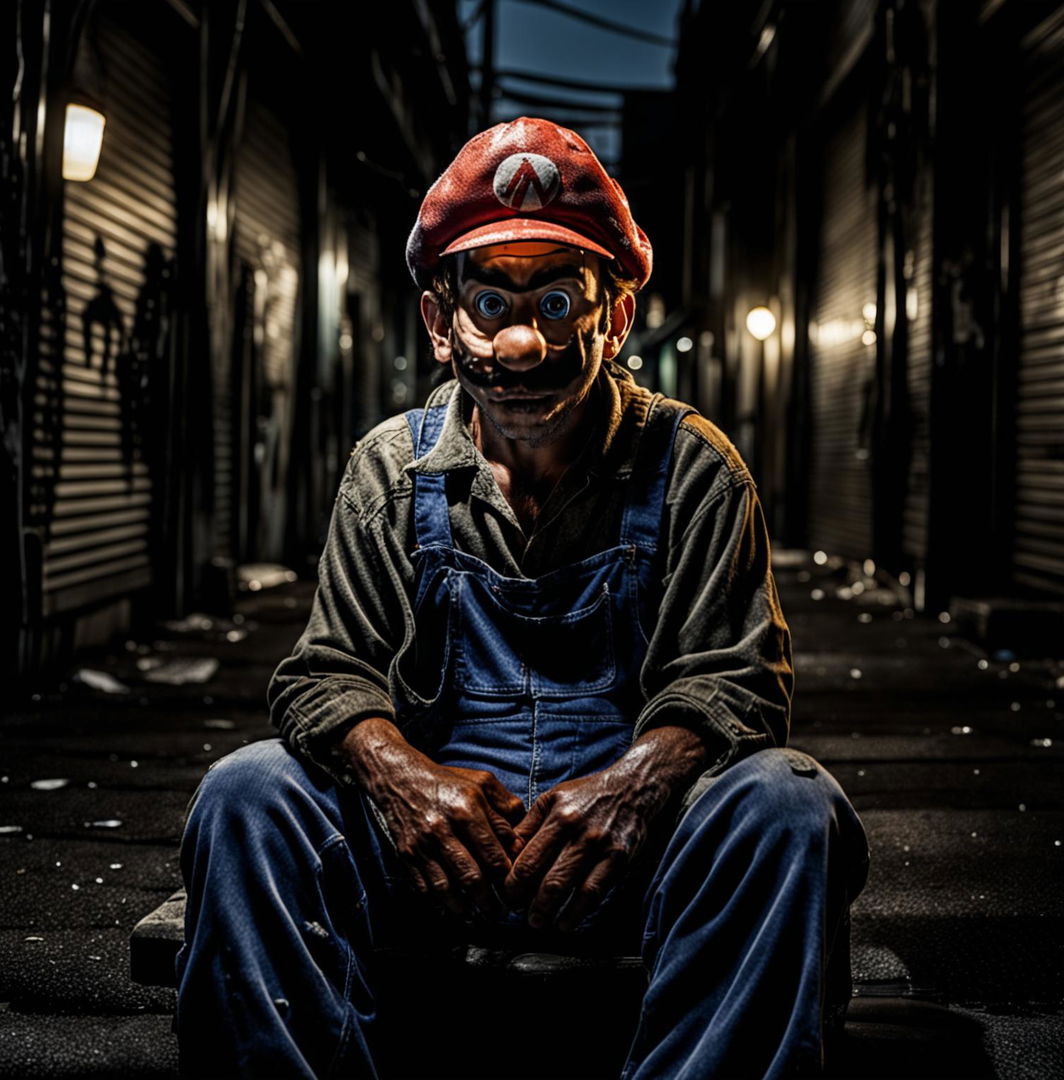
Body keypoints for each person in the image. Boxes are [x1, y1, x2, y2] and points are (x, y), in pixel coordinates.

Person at [174, 116, 870, 1079]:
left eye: (556, 301)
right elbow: (325, 675)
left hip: (630, 866)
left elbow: (738, 683)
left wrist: (635, 786)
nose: (519, 341)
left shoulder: (693, 470)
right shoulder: (390, 469)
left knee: (789, 804)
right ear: (438, 320)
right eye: (489, 300)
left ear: (614, 320)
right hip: (428, 867)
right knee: (246, 793)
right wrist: (400, 778)